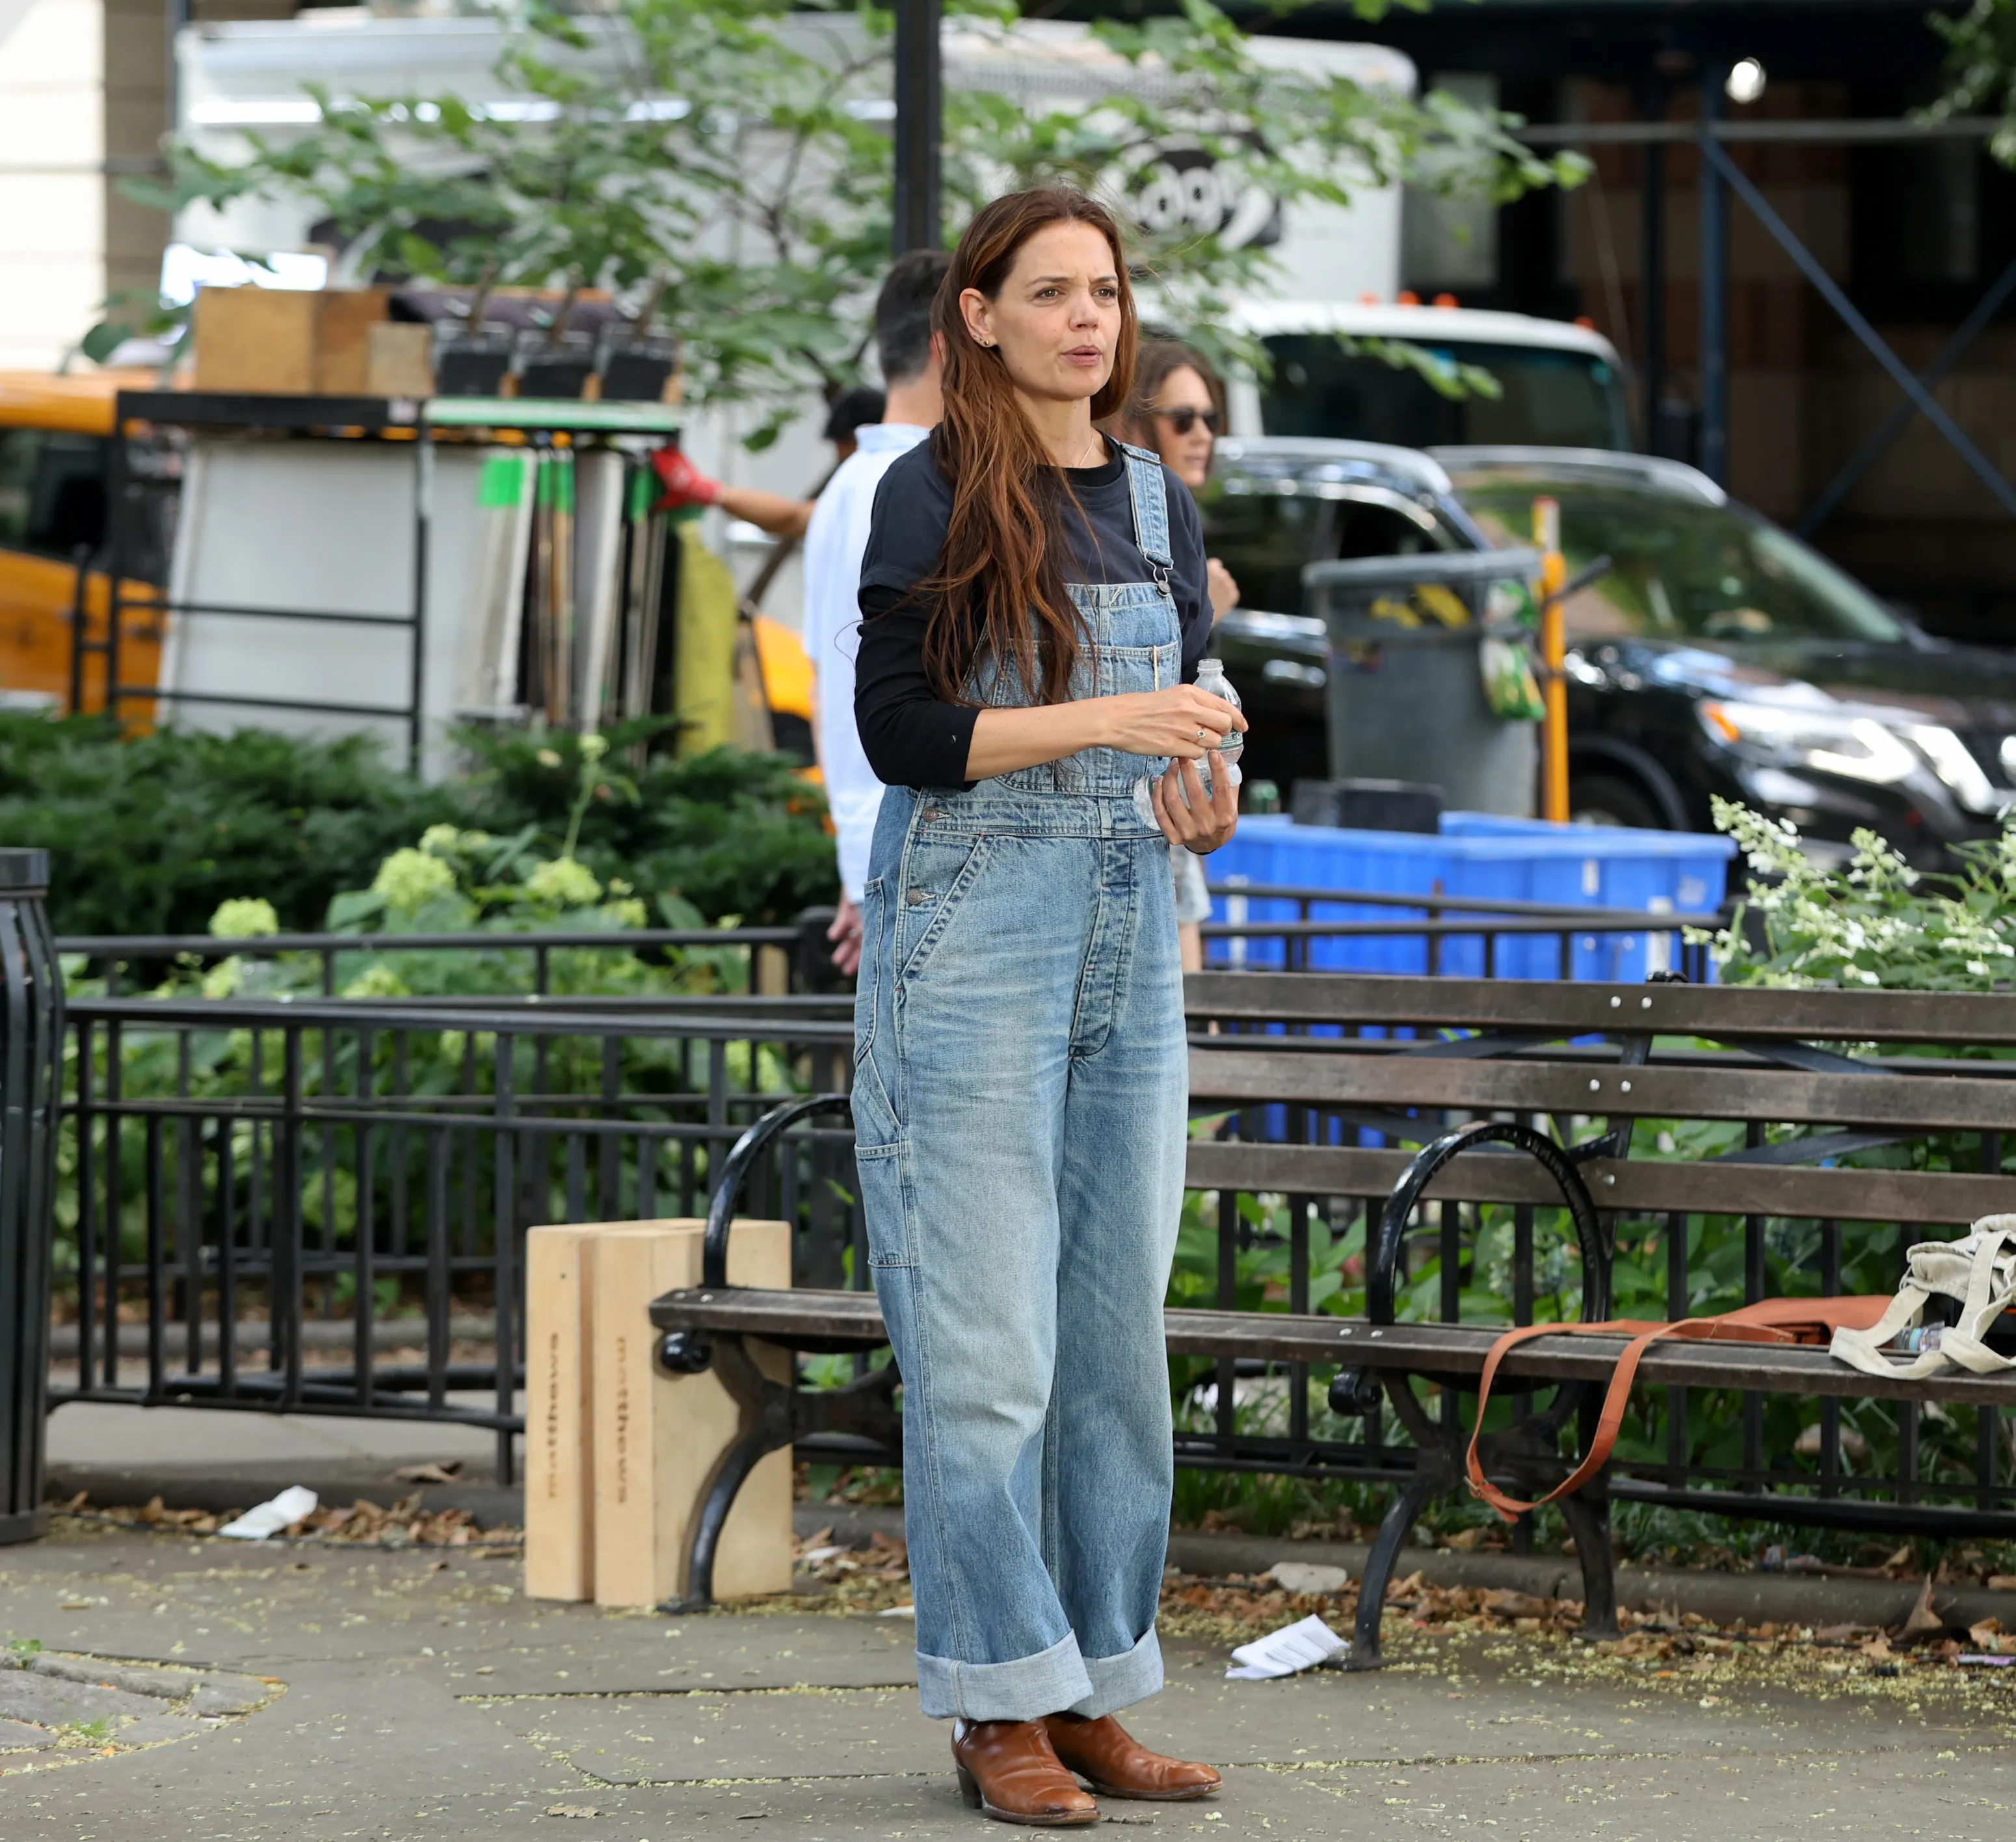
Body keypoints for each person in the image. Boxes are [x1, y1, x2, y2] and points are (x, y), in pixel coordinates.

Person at [851, 188, 1244, 1826]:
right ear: (980, 314)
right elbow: (900, 736)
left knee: (1107, 1351)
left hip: (1124, 937)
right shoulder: (924, 491)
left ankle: (1088, 1685)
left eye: (1104, 291)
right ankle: (991, 1700)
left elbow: (1186, 748)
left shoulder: (1155, 500)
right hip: (973, 947)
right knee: (984, 1346)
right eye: (1050, 291)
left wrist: (1199, 790)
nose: (1087, 318)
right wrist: (1109, 719)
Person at [801, 250, 951, 973]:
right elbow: (879, 694)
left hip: (888, 851)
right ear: (947, 342)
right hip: (922, 854)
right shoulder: (915, 487)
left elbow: (823, 686)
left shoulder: (846, 485)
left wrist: (856, 858)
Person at [1106, 340, 1241, 974]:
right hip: (1124, 805)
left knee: (1189, 1014)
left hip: (1178, 798)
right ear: (1134, 419)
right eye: (1181, 418)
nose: (1201, 435)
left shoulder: (1177, 517)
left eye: (1210, 419)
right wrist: (1209, 608)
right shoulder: (1118, 520)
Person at [648, 386, 888, 540]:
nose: (839, 458)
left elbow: (793, 519)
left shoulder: (880, 485)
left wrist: (706, 490)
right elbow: (794, 519)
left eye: (842, 447)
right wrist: (709, 492)